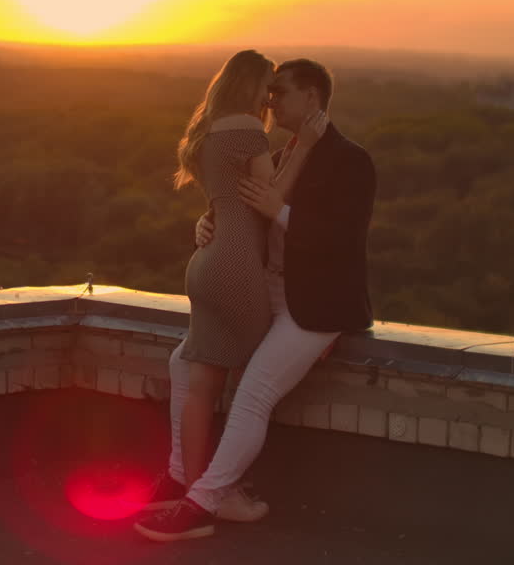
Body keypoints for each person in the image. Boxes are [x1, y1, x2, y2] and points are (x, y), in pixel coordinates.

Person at [135, 58, 377, 542]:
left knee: (252, 395)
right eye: (267, 92)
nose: (270, 101)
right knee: (184, 362)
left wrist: (281, 212)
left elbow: (344, 240)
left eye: (280, 92)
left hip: (314, 306)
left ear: (312, 97)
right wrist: (210, 224)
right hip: (268, 288)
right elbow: (244, 209)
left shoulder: (351, 159)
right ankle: (184, 476)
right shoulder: (287, 150)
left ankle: (202, 502)